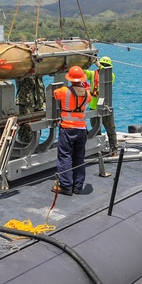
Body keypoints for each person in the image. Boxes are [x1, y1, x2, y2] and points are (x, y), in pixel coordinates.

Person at [52, 66, 89, 195]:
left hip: (67, 128)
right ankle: (78, 186)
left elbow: (54, 94)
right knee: (79, 157)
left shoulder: (63, 91)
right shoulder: (86, 93)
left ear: (70, 78)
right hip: (81, 129)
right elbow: (88, 98)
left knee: (65, 156)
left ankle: (66, 186)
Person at [86, 56, 118, 154]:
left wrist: (98, 64)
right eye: (103, 65)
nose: (103, 67)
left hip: (106, 107)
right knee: (95, 130)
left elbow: (105, 72)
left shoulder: (111, 75)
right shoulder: (93, 74)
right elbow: (82, 72)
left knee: (110, 129)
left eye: (105, 65)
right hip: (94, 107)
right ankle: (98, 148)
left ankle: (113, 148)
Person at [15, 75, 46, 145]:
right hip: (26, 101)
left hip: (39, 99)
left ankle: (35, 146)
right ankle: (24, 147)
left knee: (37, 128)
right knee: (26, 129)